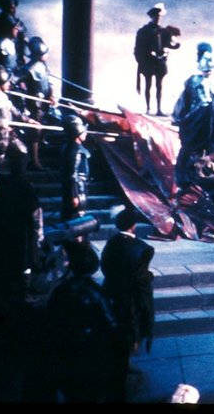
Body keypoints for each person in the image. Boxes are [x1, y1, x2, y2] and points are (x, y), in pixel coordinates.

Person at [47, 239, 126, 402]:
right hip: (91, 354)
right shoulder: (96, 293)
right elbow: (112, 325)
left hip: (68, 353)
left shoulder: (60, 291)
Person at [100, 207, 155, 375]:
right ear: (133, 226)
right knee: (131, 330)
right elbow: (141, 278)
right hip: (132, 298)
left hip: (112, 291)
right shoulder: (143, 248)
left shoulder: (111, 242)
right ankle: (124, 364)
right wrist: (150, 276)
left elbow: (105, 266)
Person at [0, 146, 44, 305]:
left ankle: (8, 291)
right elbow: (35, 212)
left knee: (11, 259)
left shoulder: (3, 184)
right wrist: (39, 234)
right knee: (25, 261)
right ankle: (23, 293)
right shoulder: (26, 187)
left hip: (7, 228)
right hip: (23, 232)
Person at [172, 42, 214, 189]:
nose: (209, 72)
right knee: (190, 147)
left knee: (205, 147)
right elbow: (190, 100)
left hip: (207, 120)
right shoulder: (194, 80)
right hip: (196, 120)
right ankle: (185, 176)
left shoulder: (207, 81)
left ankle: (201, 171)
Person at [0, 66, 34, 190]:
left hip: (9, 134)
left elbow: (15, 111)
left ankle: (16, 182)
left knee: (22, 152)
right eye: (6, 82)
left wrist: (28, 120)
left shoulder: (4, 96)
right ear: (0, 83)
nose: (9, 84)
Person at [17, 36, 56, 170]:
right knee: (35, 131)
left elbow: (49, 81)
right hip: (35, 103)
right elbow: (16, 79)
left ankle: (40, 145)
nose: (47, 55)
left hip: (45, 102)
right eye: (45, 53)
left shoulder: (44, 66)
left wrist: (52, 95)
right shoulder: (29, 68)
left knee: (48, 123)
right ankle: (34, 160)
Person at [134, 2, 180, 116]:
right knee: (148, 84)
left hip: (159, 61)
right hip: (148, 62)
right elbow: (138, 48)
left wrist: (174, 46)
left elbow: (167, 44)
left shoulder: (164, 31)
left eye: (159, 16)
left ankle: (159, 109)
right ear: (152, 17)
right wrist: (144, 58)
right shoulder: (144, 31)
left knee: (159, 86)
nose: (157, 18)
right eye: (156, 16)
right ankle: (148, 108)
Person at [60, 114, 90, 221]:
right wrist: (74, 195)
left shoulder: (71, 147)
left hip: (80, 187)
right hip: (77, 189)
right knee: (76, 218)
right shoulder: (74, 150)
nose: (86, 134)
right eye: (83, 132)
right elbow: (72, 174)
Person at [0, 0, 28, 71]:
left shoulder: (16, 21)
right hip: (5, 56)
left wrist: (22, 55)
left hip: (16, 55)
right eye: (10, 6)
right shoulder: (3, 19)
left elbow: (22, 36)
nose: (13, 9)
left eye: (13, 6)